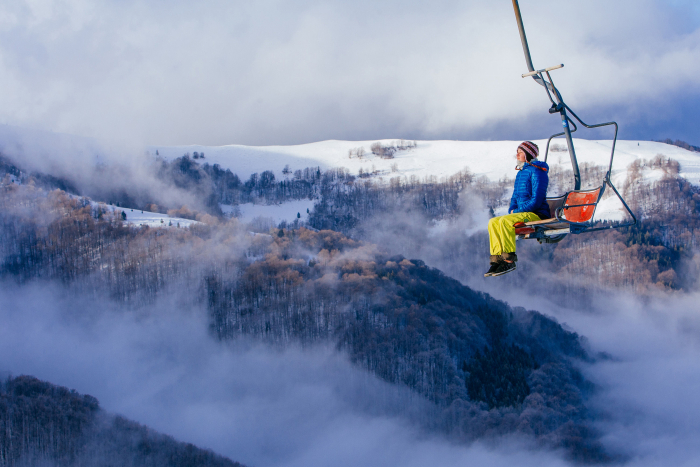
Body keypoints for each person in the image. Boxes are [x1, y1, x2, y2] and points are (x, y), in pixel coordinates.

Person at [484, 141, 549, 277]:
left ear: (528, 155)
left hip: (536, 214)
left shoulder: (538, 173)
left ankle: (508, 259)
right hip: (523, 213)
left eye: (520, 153)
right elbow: (515, 197)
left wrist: (517, 212)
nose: (517, 156)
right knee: (493, 222)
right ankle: (497, 260)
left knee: (505, 222)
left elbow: (536, 201)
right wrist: (513, 208)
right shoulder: (521, 174)